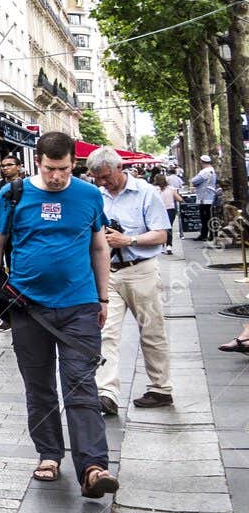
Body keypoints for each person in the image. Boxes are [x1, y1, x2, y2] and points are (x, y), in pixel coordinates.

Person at [0, 131, 119, 499]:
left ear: (75, 163)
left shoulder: (88, 195)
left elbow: (99, 246)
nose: (57, 176)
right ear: (36, 162)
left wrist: (103, 299)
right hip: (28, 308)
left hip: (79, 306)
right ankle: (49, 454)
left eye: (64, 168)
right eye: (49, 168)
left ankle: (92, 466)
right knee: (39, 386)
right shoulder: (14, 194)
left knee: (81, 385)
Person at [86, 148, 174, 413]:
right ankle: (106, 393)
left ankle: (160, 388)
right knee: (105, 332)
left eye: (105, 176)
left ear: (119, 167)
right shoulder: (95, 196)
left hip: (141, 270)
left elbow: (162, 235)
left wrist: (129, 240)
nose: (102, 182)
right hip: (107, 271)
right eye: (97, 178)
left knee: (151, 330)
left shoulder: (146, 192)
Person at [191, 156, 219, 241]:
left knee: (205, 218)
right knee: (210, 217)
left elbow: (194, 181)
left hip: (204, 197)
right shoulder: (212, 170)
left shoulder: (204, 171)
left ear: (202, 162)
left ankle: (205, 234)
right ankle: (212, 234)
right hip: (210, 196)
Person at [152, 168, 178, 253]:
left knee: (160, 228)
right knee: (168, 228)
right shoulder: (171, 189)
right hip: (170, 210)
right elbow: (179, 199)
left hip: (158, 210)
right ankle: (169, 246)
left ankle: (162, 245)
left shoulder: (153, 189)